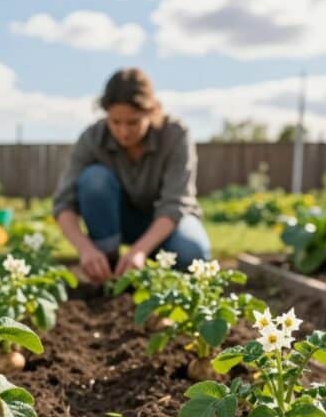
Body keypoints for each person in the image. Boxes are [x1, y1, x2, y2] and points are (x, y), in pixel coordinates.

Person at [53, 68, 210, 284]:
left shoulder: (175, 134)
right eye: (115, 122)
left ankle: (154, 267)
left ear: (151, 111)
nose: (123, 132)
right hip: (118, 222)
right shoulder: (92, 138)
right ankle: (107, 268)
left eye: (133, 122)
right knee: (94, 179)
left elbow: (175, 204)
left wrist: (139, 250)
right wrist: (85, 249)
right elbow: (64, 204)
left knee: (192, 251)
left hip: (166, 224)